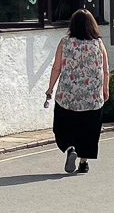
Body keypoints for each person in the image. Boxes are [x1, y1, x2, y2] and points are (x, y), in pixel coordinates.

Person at [46, 9, 109, 174]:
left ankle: (71, 148)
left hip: (67, 95)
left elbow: (56, 68)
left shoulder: (65, 42)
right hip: (92, 96)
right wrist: (105, 89)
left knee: (63, 126)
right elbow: (105, 70)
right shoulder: (98, 43)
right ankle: (83, 162)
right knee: (89, 130)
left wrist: (50, 88)